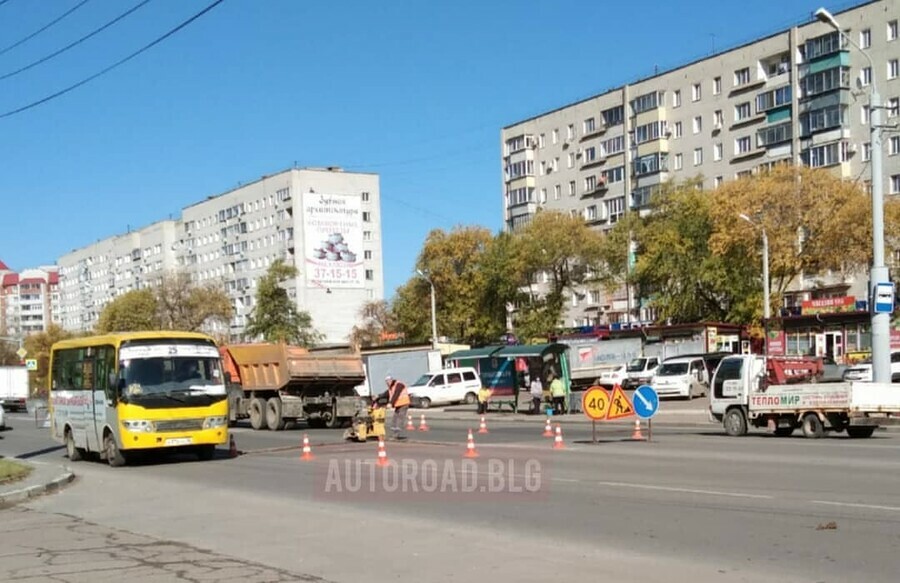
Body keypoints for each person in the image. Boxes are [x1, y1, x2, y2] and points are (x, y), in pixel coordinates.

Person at [381, 375, 410, 439]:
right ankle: (394, 434)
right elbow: (386, 394)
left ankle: (396, 435)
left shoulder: (399, 385)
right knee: (395, 419)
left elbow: (396, 394)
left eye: (388, 381)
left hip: (404, 404)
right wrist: (377, 398)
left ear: (391, 380)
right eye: (386, 382)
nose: (387, 383)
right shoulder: (391, 387)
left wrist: (391, 403)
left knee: (399, 419)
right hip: (398, 405)